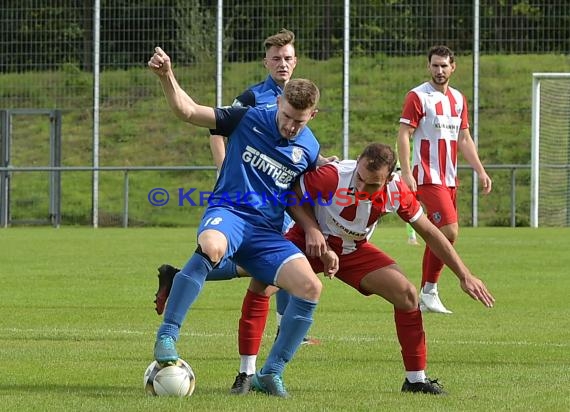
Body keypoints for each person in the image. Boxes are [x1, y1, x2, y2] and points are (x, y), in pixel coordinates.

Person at [156, 143, 496, 395]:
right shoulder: (332, 175)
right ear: (357, 165)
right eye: (361, 178)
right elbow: (292, 197)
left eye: (372, 184)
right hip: (308, 240)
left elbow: (431, 234)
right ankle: (247, 374)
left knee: (407, 294)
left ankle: (416, 380)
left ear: (389, 178)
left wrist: (464, 274)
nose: (363, 188)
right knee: (262, 284)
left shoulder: (397, 192)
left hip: (353, 251)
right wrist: (313, 230)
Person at [147, 46, 336, 398]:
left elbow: (295, 195)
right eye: (288, 116)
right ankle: (167, 336)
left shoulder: (309, 148)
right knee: (212, 247)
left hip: (267, 232)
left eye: (301, 120)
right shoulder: (246, 117)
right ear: (279, 104)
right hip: (230, 213)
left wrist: (312, 230)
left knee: (311, 288)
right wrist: (166, 77)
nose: (291, 126)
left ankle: (271, 373)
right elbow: (188, 112)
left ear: (313, 114)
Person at [397, 45, 493, 314]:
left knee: (444, 235)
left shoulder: (459, 99)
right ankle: (429, 291)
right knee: (448, 231)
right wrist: (406, 172)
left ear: (453, 67)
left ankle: (428, 292)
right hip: (427, 176)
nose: (439, 71)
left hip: (449, 178)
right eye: (435, 65)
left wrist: (480, 170)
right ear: (428, 67)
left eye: (444, 66)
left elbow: (464, 138)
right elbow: (404, 134)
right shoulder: (418, 96)